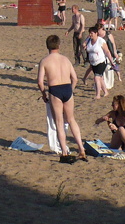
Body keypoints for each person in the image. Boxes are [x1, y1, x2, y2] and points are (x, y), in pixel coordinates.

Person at [37, 34, 88, 164]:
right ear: (59, 46)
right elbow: (75, 78)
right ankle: (81, 148)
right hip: (67, 88)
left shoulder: (45, 61)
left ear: (47, 46)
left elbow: (40, 82)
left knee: (59, 122)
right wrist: (71, 90)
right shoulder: (65, 59)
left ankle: (64, 151)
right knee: (71, 120)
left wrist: (44, 94)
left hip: (55, 89)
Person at [84, 24, 113, 99]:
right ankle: (106, 92)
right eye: (89, 33)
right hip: (93, 63)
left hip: (101, 62)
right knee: (100, 78)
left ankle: (98, 95)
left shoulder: (101, 41)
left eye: (92, 33)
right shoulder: (89, 40)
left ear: (96, 33)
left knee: (97, 77)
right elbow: (84, 44)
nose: (90, 35)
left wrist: (111, 61)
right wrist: (84, 46)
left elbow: (107, 51)